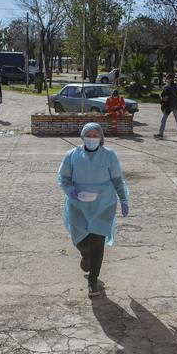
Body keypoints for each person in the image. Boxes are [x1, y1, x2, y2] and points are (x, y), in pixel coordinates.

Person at [57, 123, 129, 298]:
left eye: (95, 135)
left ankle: (93, 280)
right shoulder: (72, 156)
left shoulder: (109, 156)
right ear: (82, 137)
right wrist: (71, 191)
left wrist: (124, 198)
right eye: (88, 134)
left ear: (101, 138)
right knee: (81, 240)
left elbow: (118, 179)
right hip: (77, 205)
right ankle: (85, 255)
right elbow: (63, 177)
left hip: (103, 204)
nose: (91, 138)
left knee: (97, 241)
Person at [154, 73, 177, 139]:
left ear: (172, 79)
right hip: (168, 106)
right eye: (168, 78)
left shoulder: (175, 86)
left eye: (170, 78)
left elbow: (174, 94)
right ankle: (160, 134)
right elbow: (163, 95)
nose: (168, 79)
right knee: (163, 119)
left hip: (174, 105)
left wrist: (168, 87)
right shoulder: (166, 86)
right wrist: (163, 98)